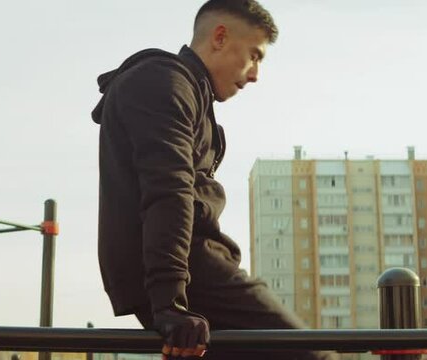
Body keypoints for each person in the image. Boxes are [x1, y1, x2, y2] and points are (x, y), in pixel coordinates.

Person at [91, 1, 336, 359]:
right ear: (220, 37)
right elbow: (168, 193)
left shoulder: (189, 96)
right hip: (193, 273)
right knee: (314, 355)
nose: (254, 74)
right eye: (254, 55)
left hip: (188, 275)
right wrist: (171, 303)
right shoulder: (162, 82)